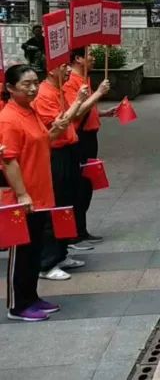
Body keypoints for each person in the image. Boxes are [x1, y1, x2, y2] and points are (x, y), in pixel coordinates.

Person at [2, 65, 68, 321]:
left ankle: (32, 297)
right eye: (25, 84)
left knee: (34, 250)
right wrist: (22, 195)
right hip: (24, 197)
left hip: (40, 193)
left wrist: (57, 129)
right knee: (21, 253)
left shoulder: (30, 112)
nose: (32, 88)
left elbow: (42, 142)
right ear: (9, 88)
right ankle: (18, 305)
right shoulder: (8, 119)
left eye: (34, 83)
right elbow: (9, 160)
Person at [33, 63, 89, 281]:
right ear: (50, 70)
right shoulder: (44, 94)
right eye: (64, 67)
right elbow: (61, 123)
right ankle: (47, 262)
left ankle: (61, 253)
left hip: (68, 152)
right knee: (54, 206)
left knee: (67, 203)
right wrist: (79, 101)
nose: (68, 71)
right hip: (55, 156)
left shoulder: (59, 90)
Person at [65, 48, 110, 246]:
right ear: (78, 58)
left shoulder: (84, 79)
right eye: (89, 55)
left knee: (87, 184)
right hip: (79, 138)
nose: (93, 58)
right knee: (78, 185)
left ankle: (81, 229)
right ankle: (73, 233)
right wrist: (99, 93)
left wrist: (104, 113)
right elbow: (74, 114)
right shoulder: (70, 82)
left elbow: (87, 110)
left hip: (90, 136)